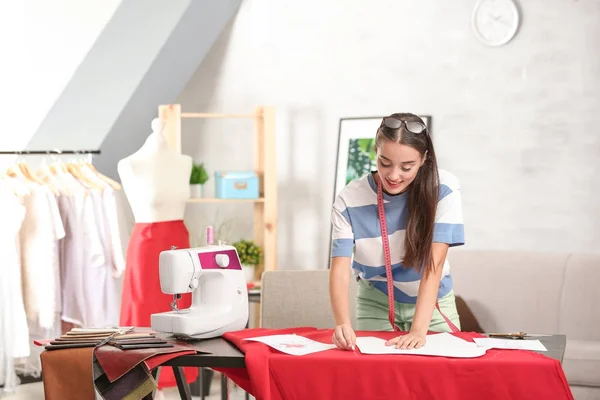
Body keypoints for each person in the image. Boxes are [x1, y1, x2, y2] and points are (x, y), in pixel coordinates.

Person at [329, 112, 465, 351]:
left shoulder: (443, 189)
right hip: (375, 301)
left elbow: (434, 265)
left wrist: (417, 331)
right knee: (375, 379)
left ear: (424, 159)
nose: (393, 175)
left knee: (441, 377)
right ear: (375, 151)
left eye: (407, 167)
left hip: (432, 303)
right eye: (385, 163)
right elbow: (340, 269)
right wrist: (342, 323)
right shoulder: (349, 199)